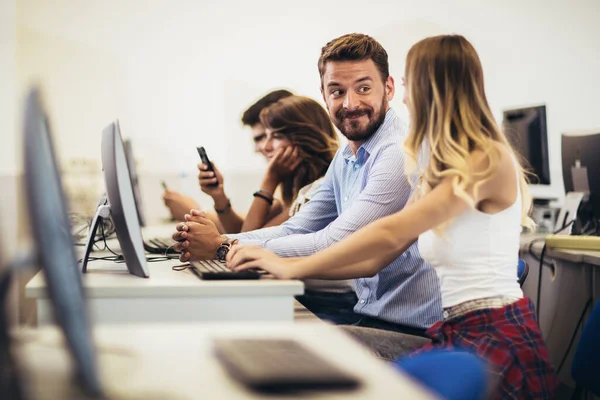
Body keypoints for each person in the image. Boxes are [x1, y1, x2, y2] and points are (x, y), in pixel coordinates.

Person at [226, 35, 558, 398]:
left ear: (436, 87)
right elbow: (376, 257)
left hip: (493, 339)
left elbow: (390, 230)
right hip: (453, 332)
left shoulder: (486, 159)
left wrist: (291, 267)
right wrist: (279, 263)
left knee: (311, 354)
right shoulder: (438, 166)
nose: (404, 96)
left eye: (410, 84)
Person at [172, 33, 442, 330]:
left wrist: (222, 247)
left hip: (411, 328)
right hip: (370, 316)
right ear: (324, 95)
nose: (350, 103)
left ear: (388, 88)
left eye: (363, 88)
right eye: (337, 91)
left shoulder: (397, 153)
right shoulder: (346, 156)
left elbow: (336, 241)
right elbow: (296, 228)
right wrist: (221, 242)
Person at [199, 95, 338, 233]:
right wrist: (219, 196)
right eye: (266, 136)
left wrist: (269, 180)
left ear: (305, 139)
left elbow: (247, 240)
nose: (265, 147)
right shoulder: (292, 187)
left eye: (276, 136)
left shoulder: (316, 190)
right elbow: (242, 234)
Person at [162, 89, 294, 224]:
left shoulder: (305, 190)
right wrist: (219, 197)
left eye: (264, 137)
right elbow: (247, 229)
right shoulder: (286, 184)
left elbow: (245, 235)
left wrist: (192, 212)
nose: (262, 147)